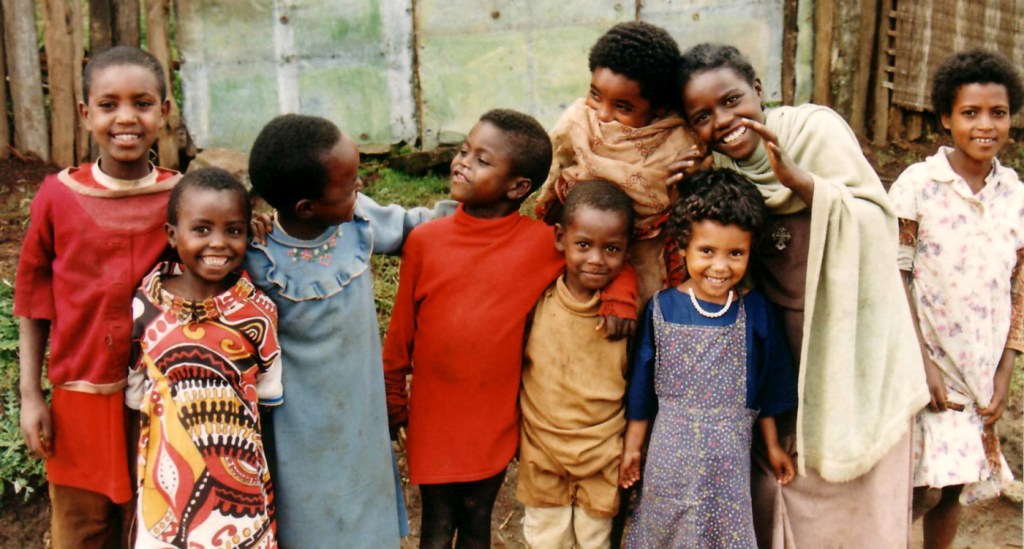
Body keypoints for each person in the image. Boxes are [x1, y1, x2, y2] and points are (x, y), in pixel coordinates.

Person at [677, 43, 929, 547]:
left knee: (859, 482)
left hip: (851, 337)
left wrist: (804, 182)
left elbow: (876, 221)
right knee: (785, 475)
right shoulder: (722, 177)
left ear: (758, 90)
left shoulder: (815, 129)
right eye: (702, 116)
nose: (723, 121)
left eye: (731, 100)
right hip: (784, 348)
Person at [382, 109, 638, 549]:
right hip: (434, 412)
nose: (462, 162)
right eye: (464, 151)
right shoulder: (426, 241)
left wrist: (620, 298)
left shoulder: (542, 242)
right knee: (437, 524)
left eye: (482, 160)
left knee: (479, 518)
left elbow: (606, 259)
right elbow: (400, 331)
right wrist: (392, 400)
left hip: (494, 415)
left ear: (519, 187)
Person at [243, 114, 452, 548]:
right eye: (349, 184)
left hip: (360, 411)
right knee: (310, 514)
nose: (359, 189)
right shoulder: (258, 258)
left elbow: (417, 226)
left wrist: (472, 210)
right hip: (298, 424)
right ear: (306, 207)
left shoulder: (358, 222)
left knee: (365, 506)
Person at [15, 45, 180, 549]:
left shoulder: (184, 196)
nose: (126, 118)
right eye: (108, 105)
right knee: (81, 528)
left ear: (164, 112)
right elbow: (33, 296)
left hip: (162, 401)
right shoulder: (58, 196)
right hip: (77, 401)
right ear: (86, 114)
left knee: (152, 523)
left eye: (142, 103)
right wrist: (30, 395)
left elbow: (224, 258)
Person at [888, 49, 1023, 549]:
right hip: (925, 362)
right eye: (970, 113)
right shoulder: (919, 187)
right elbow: (894, 275)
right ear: (946, 117)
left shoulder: (1016, 195)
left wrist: (1005, 371)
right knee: (914, 486)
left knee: (952, 486)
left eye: (998, 113)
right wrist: (922, 364)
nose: (985, 125)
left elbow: (1020, 289)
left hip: (979, 368)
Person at [619, 168, 796, 548]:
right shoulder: (662, 309)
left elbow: (765, 386)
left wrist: (773, 445)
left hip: (728, 462)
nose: (720, 266)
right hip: (669, 455)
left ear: (751, 251)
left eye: (736, 253)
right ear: (683, 246)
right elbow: (641, 388)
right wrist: (633, 449)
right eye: (707, 251)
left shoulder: (756, 310)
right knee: (664, 525)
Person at [126, 168, 281, 547]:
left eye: (233, 230)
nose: (218, 243)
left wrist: (269, 493)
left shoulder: (257, 313)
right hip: (164, 499)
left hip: (243, 505)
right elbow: (135, 404)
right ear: (172, 236)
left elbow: (268, 408)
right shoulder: (145, 307)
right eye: (201, 230)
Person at [533, 21, 698, 303]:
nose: (603, 114)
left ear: (658, 109)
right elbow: (547, 189)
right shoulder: (576, 124)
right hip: (581, 257)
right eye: (596, 95)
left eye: (623, 107)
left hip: (649, 262)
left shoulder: (680, 146)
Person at [516, 180, 634, 549]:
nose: (596, 259)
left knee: (594, 539)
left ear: (627, 250)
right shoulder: (539, 297)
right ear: (560, 239)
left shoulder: (628, 315)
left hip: (602, 451)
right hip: (542, 447)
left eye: (611, 248)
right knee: (544, 538)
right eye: (583, 245)